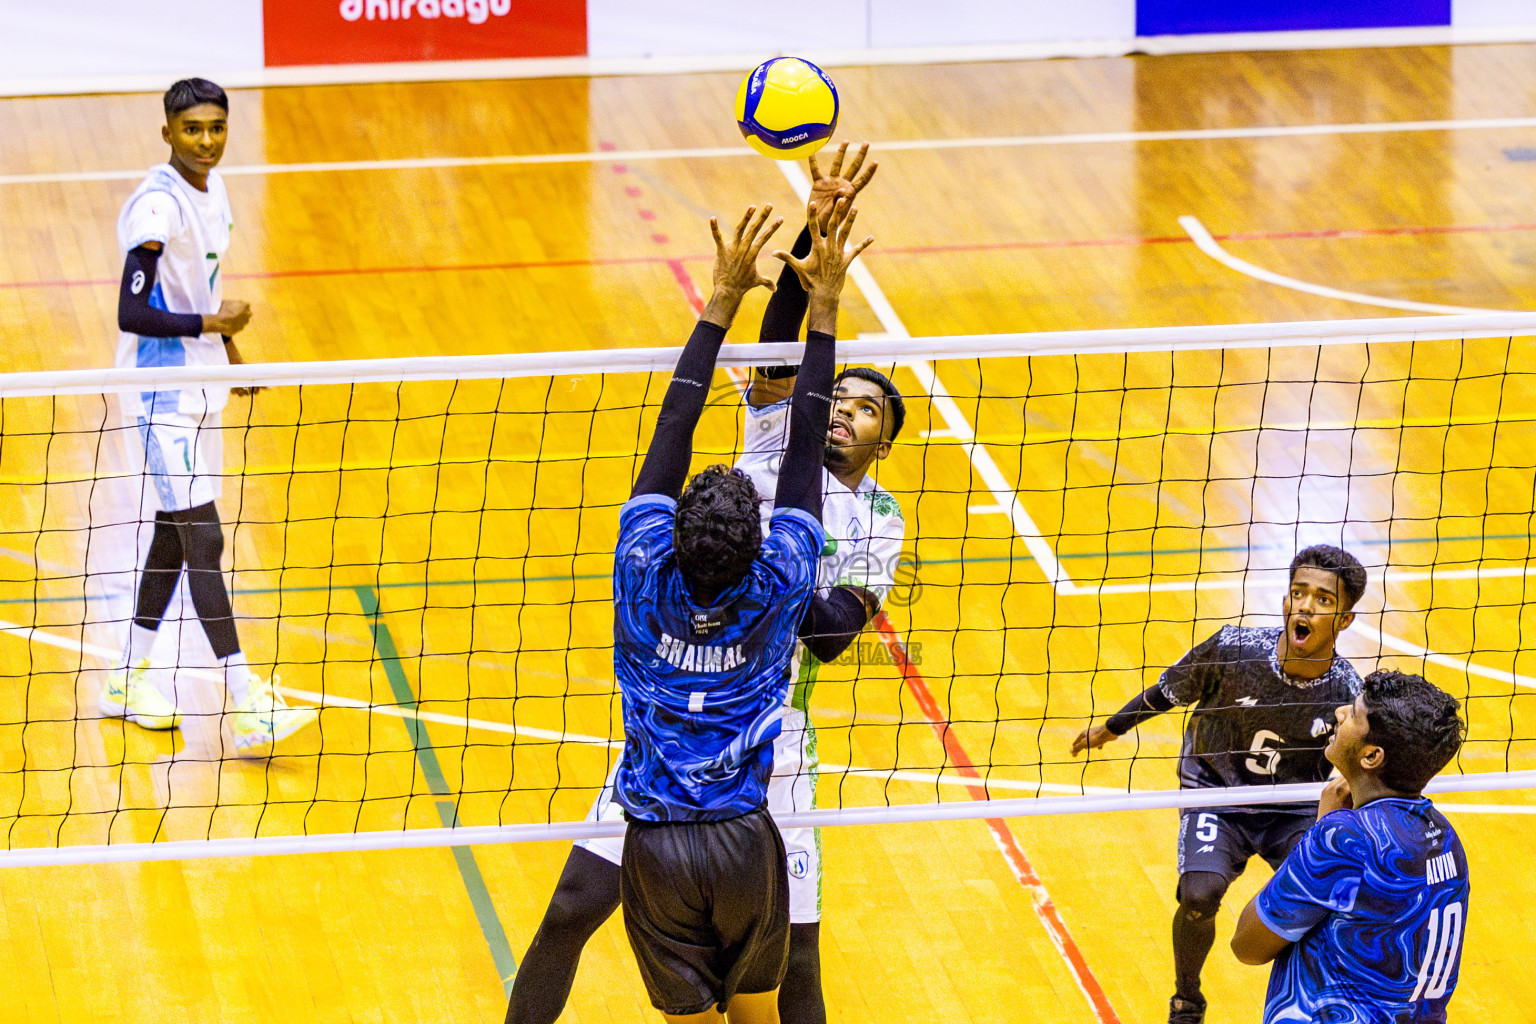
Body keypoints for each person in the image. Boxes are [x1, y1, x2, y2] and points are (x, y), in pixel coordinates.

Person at [508, 144, 900, 1024]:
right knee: (571, 909)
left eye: (866, 406)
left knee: (797, 960)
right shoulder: (772, 446)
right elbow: (783, 345)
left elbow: (834, 637)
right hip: (667, 735)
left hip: (774, 743)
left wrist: (742, 599)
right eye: (833, 395)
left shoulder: (880, 519)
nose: (840, 407)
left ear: (886, 438)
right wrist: (816, 224)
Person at [608, 196, 872, 1024]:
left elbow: (674, 425)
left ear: (672, 531)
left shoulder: (641, 570)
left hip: (653, 844)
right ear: (760, 543)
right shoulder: (781, 584)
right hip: (741, 839)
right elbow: (801, 455)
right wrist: (822, 307)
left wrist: (719, 300)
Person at [100, 77, 316, 753]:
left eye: (216, 127)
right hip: (161, 394)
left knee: (173, 532)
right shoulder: (156, 209)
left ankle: (127, 677)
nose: (206, 140)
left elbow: (203, 287)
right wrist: (209, 325)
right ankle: (244, 696)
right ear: (167, 133)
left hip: (200, 386)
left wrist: (229, 351)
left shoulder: (213, 187)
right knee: (205, 540)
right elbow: (131, 312)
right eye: (192, 129)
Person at [1071, 545, 1368, 1024]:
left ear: (1345, 619)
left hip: (1291, 807)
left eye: (1323, 600)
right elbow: (1166, 692)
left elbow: (1360, 769)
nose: (1305, 606)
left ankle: (1318, 997)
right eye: (1298, 593)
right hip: (1216, 790)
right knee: (1198, 895)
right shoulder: (1232, 650)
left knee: (1332, 899)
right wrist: (1110, 729)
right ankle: (1187, 999)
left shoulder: (1349, 694)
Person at [1231, 669, 1468, 1023]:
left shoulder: (1345, 839)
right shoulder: (1447, 838)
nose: (1340, 713)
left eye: (1354, 714)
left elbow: (1247, 945)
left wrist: (1321, 832)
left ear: (1371, 756)